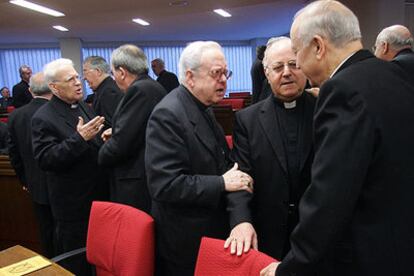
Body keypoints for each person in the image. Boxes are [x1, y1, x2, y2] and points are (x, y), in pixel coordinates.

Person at [260, 1, 414, 275]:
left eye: (297, 53)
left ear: (318, 46)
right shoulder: (395, 73)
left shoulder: (342, 90)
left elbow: (329, 200)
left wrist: (288, 269)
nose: (298, 66)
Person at [145, 41, 253, 276]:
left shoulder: (203, 106)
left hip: (211, 230)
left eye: (226, 72)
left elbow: (223, 163)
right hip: (185, 243)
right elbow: (164, 185)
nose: (224, 79)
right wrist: (223, 183)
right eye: (216, 73)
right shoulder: (168, 115)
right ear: (190, 77)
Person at [226, 37, 315, 261]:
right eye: (277, 67)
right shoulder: (248, 119)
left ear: (304, 67)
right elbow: (241, 176)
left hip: (317, 233)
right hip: (268, 233)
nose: (286, 72)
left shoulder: (324, 111)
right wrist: (241, 220)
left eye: (293, 64)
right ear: (266, 73)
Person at [31, 59, 108, 273]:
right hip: (74, 206)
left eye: (77, 77)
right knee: (78, 262)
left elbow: (93, 138)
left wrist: (104, 137)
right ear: (54, 88)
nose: (78, 82)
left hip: (99, 196)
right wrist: (79, 139)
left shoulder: (82, 105)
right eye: (71, 79)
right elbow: (46, 159)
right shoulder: (43, 118)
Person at [98, 45, 166, 212]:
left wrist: (101, 154)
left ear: (122, 72)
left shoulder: (139, 90)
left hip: (136, 179)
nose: (114, 78)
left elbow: (122, 144)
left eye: (113, 73)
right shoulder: (152, 86)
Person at [7, 72, 55, 258]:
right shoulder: (57, 112)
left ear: (30, 90)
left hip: (35, 184)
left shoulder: (16, 116)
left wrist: (25, 180)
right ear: (52, 87)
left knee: (45, 233)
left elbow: (14, 154)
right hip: (64, 185)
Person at [83, 56, 123, 128]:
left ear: (98, 71)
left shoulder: (109, 92)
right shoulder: (104, 89)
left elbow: (110, 125)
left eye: (85, 71)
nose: (84, 77)